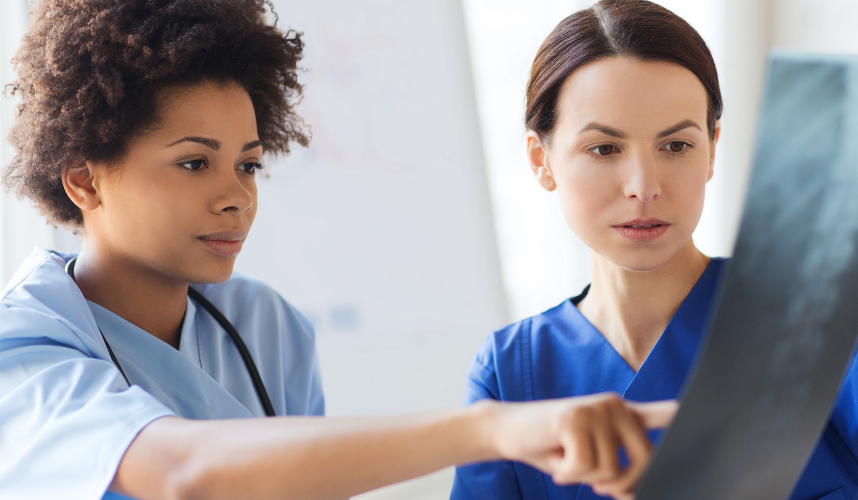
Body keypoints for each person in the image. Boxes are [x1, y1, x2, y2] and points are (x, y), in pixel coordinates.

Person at [0, 1, 679, 499]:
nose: (237, 197)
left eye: (248, 164)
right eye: (193, 164)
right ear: (85, 179)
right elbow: (180, 472)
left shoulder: (268, 327)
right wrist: (491, 431)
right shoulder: (24, 345)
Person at [450, 1, 858, 499]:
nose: (643, 184)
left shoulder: (816, 315)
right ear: (540, 160)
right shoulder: (509, 374)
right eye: (603, 148)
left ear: (713, 149)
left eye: (676, 145)